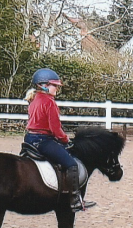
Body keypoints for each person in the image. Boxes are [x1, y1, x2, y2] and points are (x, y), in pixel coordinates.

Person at [23, 68, 93, 211]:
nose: (57, 88)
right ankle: (75, 200)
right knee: (71, 164)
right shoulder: (50, 103)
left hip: (29, 139)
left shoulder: (34, 100)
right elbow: (55, 129)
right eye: (54, 85)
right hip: (43, 140)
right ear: (44, 85)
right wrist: (66, 140)